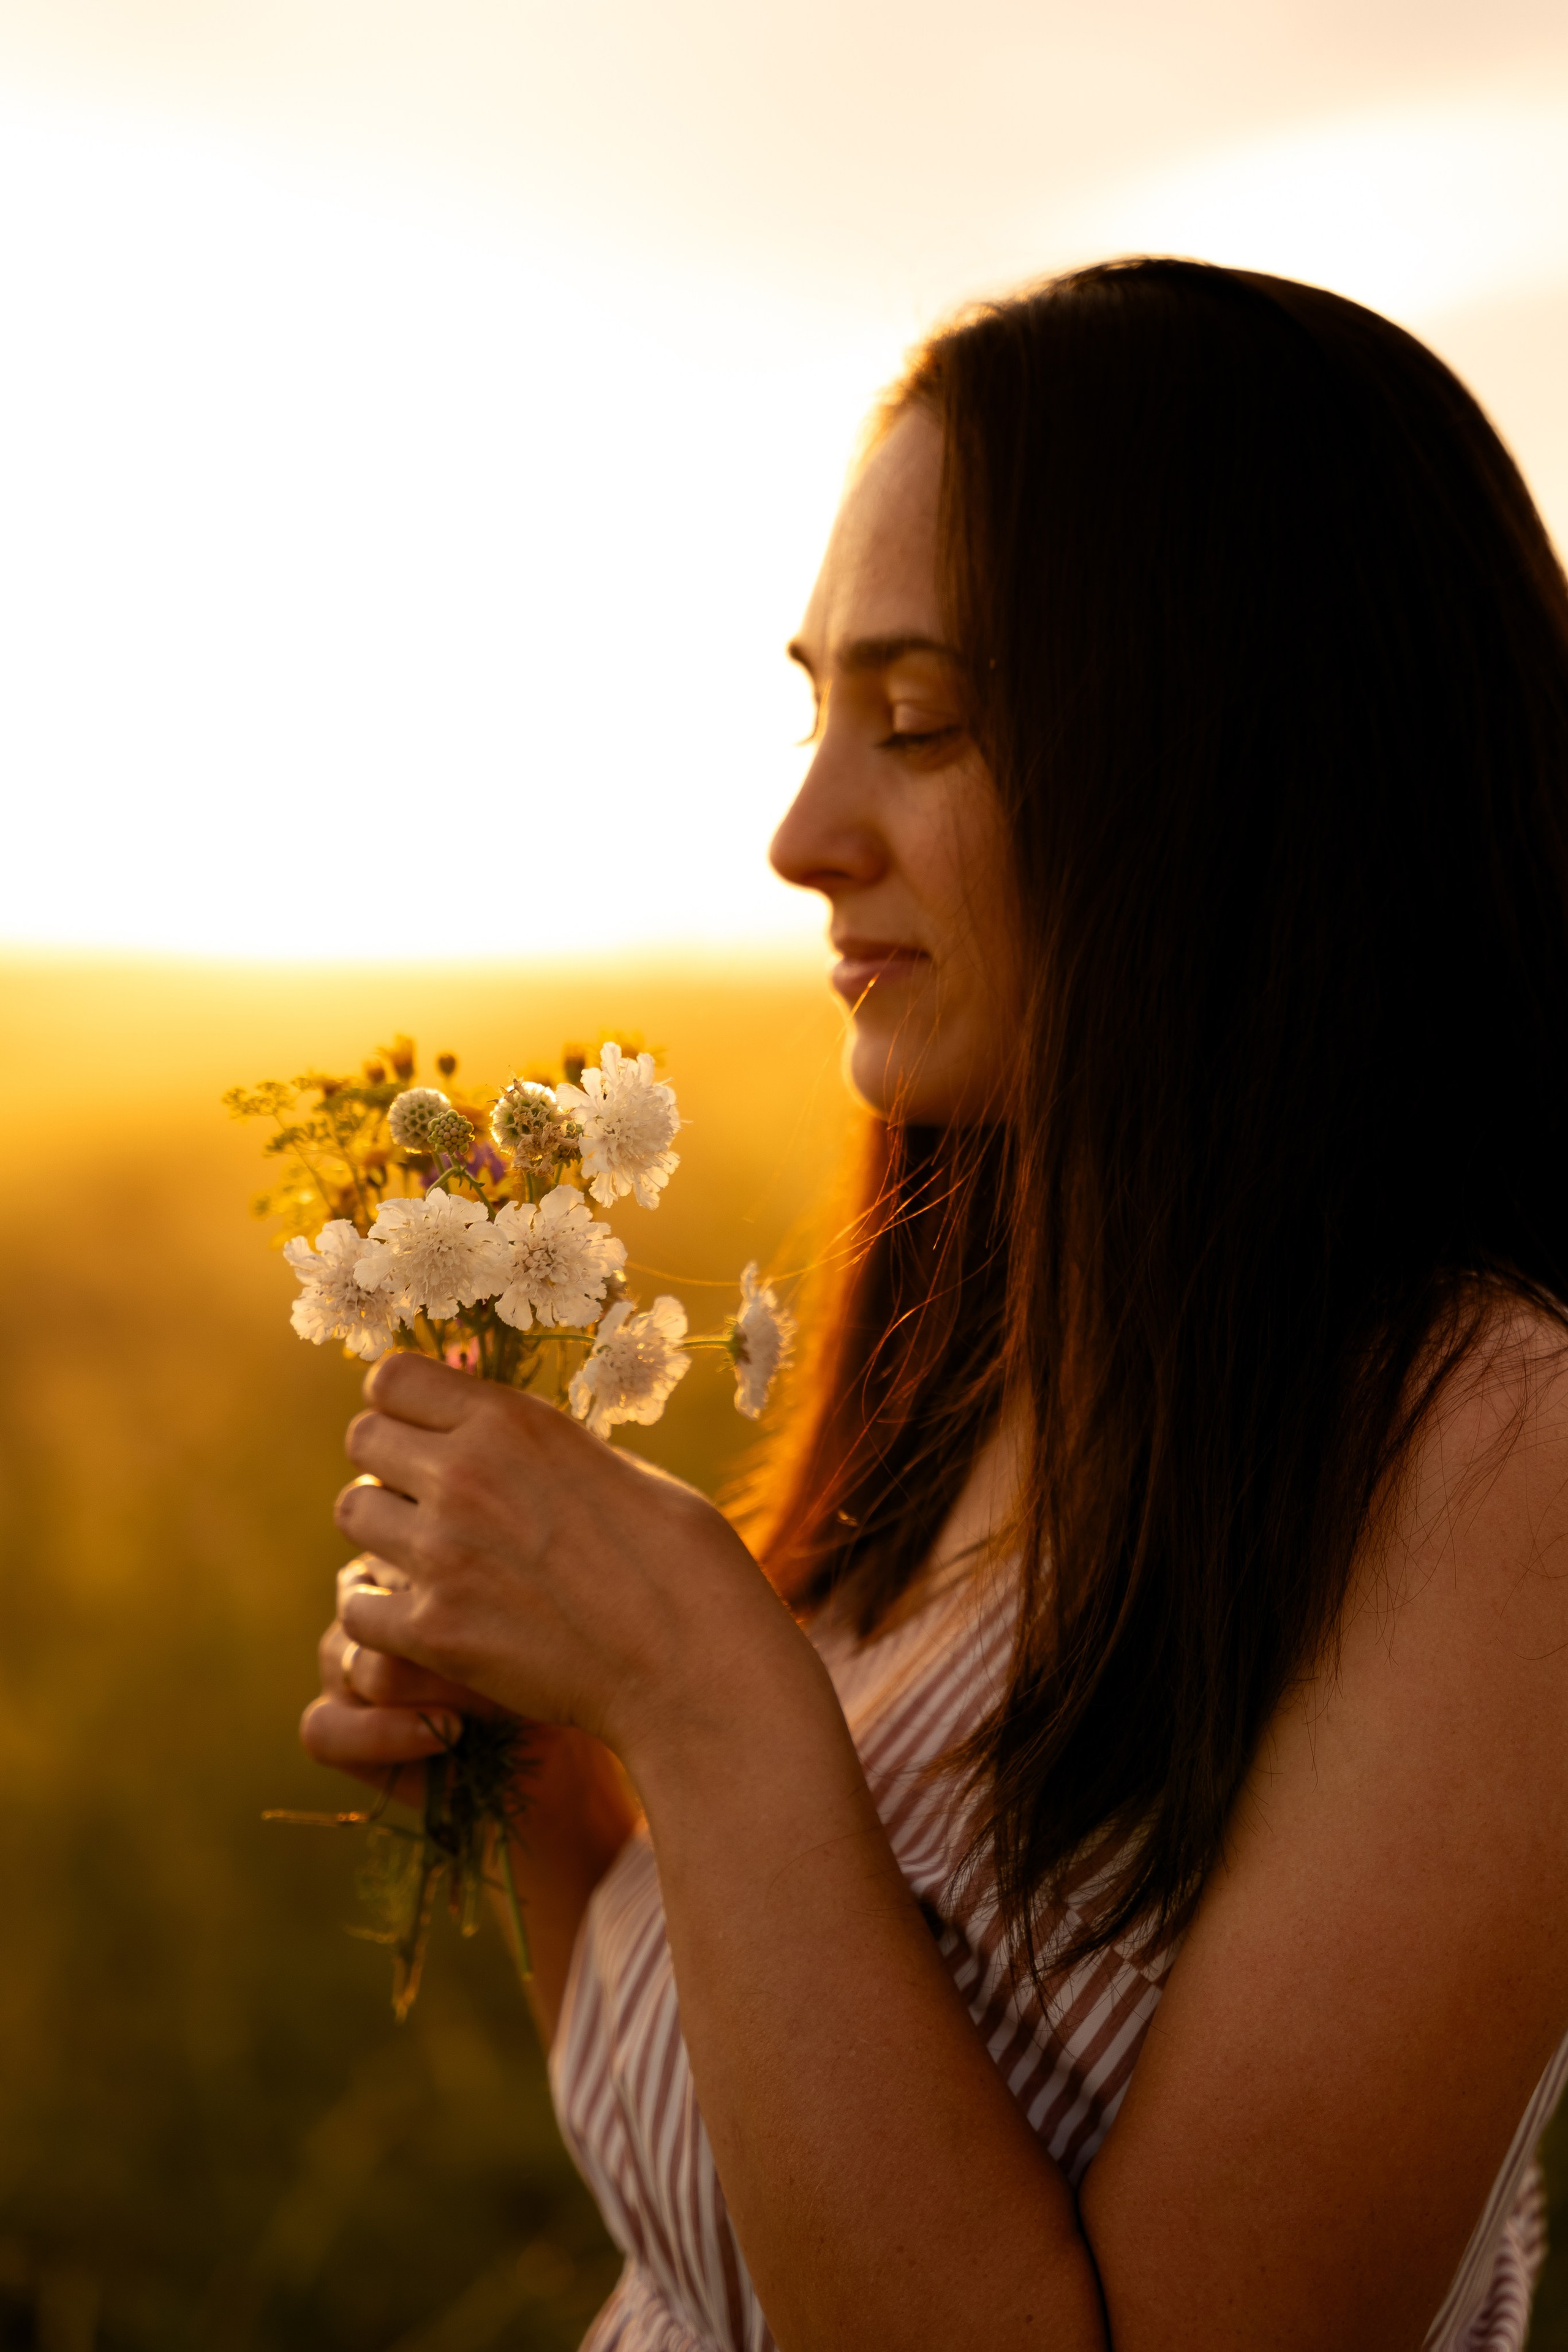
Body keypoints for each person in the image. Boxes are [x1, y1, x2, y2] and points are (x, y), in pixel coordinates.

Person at [299, 258, 1568, 2350]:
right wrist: (553, 1762)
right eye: (814, 710)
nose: (805, 834)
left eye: (924, 724)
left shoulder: (1500, 1462)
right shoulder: (997, 1363)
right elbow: (727, 2210)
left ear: (1245, 770)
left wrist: (706, 1682)